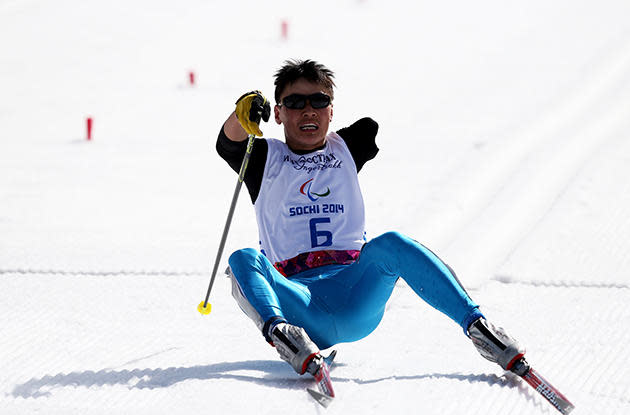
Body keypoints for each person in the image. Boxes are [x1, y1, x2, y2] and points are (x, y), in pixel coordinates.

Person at [216, 59, 525, 378]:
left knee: (391, 244)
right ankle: (285, 337)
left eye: (319, 101)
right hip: (300, 302)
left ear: (331, 110)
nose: (308, 111)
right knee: (243, 259)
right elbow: (228, 143)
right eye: (295, 102)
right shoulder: (263, 159)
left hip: (354, 291)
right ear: (278, 113)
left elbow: (381, 124)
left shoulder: (349, 146)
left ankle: (481, 330)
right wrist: (243, 113)